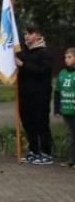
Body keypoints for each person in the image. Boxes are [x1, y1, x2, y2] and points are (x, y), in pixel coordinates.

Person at [16, 24, 54, 164]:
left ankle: (46, 153)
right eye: (26, 33)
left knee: (41, 123)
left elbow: (42, 71)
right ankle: (34, 150)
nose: (27, 36)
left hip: (40, 95)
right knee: (28, 123)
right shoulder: (22, 53)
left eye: (30, 33)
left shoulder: (45, 53)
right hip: (24, 94)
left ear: (38, 35)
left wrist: (23, 65)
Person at [53, 47, 75, 168]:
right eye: (65, 57)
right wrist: (57, 109)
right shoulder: (62, 74)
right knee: (70, 135)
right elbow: (57, 92)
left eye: (69, 57)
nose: (66, 59)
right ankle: (71, 160)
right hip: (66, 110)